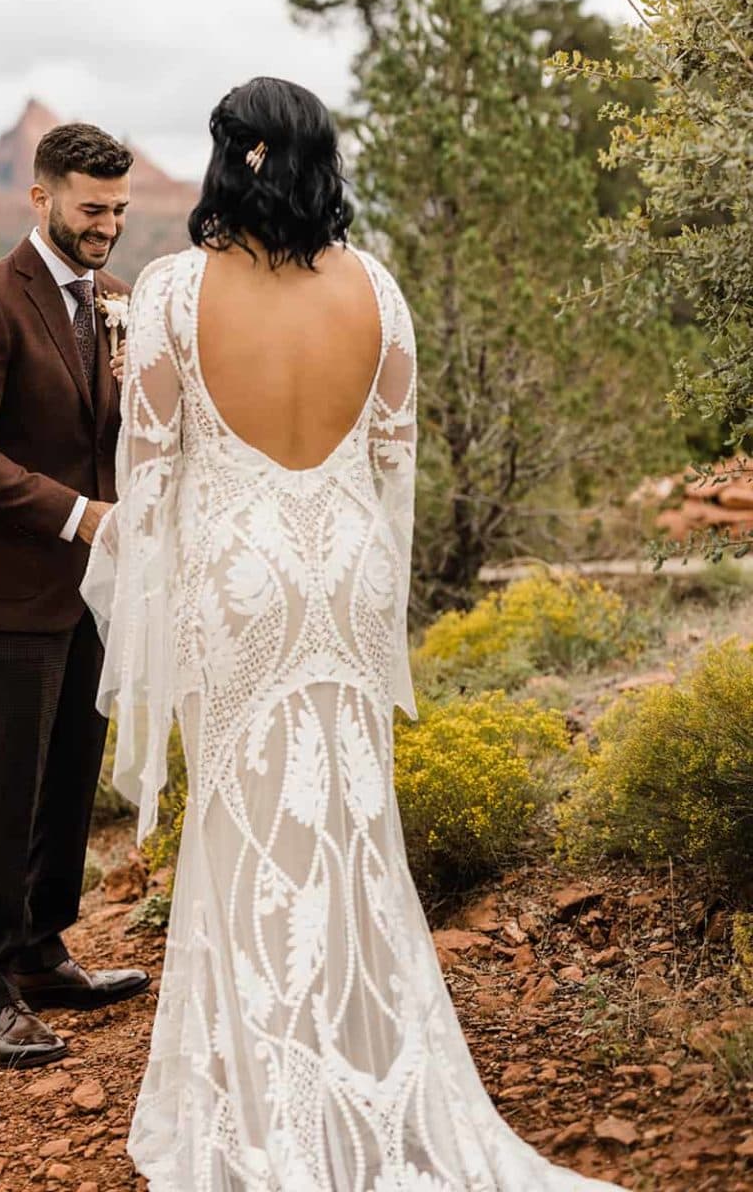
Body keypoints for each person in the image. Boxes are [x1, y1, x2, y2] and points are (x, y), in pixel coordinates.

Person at [81, 79, 627, 1190]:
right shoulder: (377, 288)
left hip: (237, 579)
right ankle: (371, 1057)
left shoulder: (178, 291)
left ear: (235, 159)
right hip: (345, 574)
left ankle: (263, 1090)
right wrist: (360, 576)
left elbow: (149, 473)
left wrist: (156, 600)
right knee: (347, 815)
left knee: (243, 830)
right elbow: (394, 467)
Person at [0, 121, 149, 1070]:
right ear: (42, 198)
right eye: (92, 209)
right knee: (6, 790)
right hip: (12, 591)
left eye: (120, 210)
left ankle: (47, 951)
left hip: (96, 592)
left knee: (68, 783)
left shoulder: (115, 302)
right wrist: (80, 517)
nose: (107, 226)